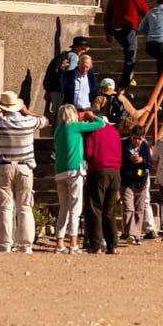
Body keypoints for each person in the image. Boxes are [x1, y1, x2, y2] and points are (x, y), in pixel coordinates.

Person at [0, 91, 43, 254]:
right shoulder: (29, 122)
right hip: (25, 166)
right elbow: (44, 119)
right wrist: (27, 111)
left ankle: (4, 244)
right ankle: (25, 245)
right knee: (24, 206)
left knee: (4, 207)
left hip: (3, 166)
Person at [51, 104, 107, 255]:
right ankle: (73, 244)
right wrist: (91, 115)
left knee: (63, 208)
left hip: (60, 171)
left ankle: (59, 243)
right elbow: (101, 124)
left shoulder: (58, 130)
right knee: (75, 209)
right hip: (74, 169)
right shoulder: (75, 126)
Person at [82, 114, 124, 254]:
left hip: (98, 171)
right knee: (109, 210)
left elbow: (88, 153)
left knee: (94, 208)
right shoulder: (114, 131)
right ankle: (112, 244)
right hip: (115, 171)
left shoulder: (93, 131)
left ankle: (96, 244)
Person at [104, 0, 149, 87]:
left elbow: (108, 14)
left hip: (115, 29)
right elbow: (145, 11)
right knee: (131, 56)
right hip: (129, 28)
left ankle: (130, 76)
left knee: (128, 50)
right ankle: (124, 84)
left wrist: (108, 32)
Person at [43, 37, 90, 121]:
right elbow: (70, 75)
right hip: (61, 90)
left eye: (85, 49)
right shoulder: (74, 57)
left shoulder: (63, 55)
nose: (83, 51)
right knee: (62, 116)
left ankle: (55, 133)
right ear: (75, 47)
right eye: (82, 48)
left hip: (54, 88)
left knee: (57, 115)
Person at [121, 123, 153, 246]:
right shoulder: (123, 144)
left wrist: (141, 160)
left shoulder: (145, 145)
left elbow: (149, 164)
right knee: (129, 207)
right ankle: (130, 233)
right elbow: (120, 161)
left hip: (141, 180)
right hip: (127, 180)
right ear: (131, 136)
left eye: (140, 138)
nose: (137, 141)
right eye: (135, 138)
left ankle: (136, 235)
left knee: (139, 209)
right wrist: (129, 160)